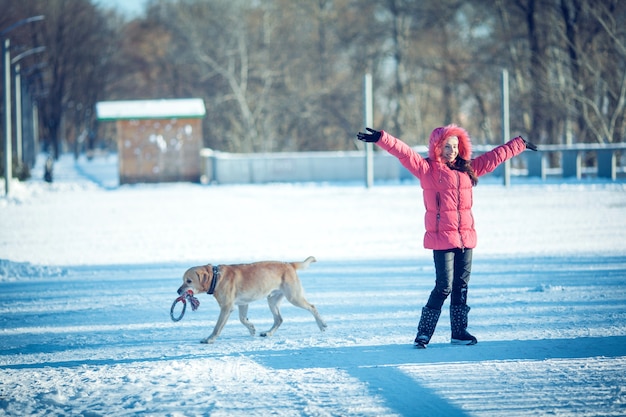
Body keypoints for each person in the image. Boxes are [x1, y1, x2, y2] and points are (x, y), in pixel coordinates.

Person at [357, 125, 537, 348]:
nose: (452, 150)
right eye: (447, 146)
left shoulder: (467, 169)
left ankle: (459, 332)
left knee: (461, 286)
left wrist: (517, 145)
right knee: (443, 286)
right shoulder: (427, 169)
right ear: (437, 147)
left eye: (455, 146)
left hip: (466, 237)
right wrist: (382, 138)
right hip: (442, 237)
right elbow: (404, 153)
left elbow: (493, 158)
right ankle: (423, 334)